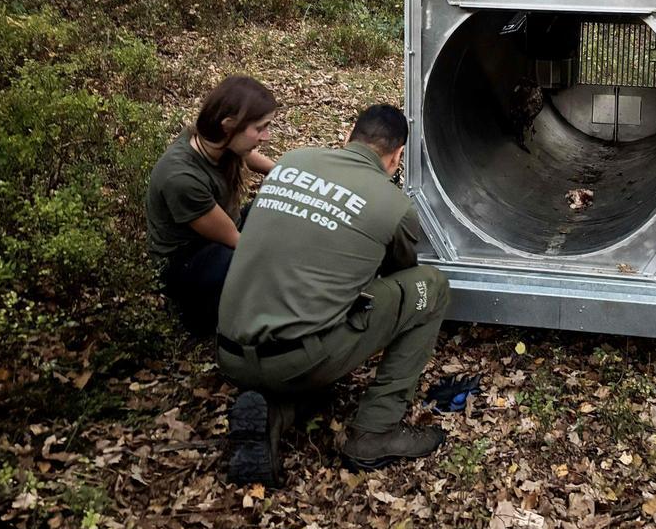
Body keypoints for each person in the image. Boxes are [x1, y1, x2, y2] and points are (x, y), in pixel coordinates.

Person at [216, 104, 451, 485]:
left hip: (229, 350)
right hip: (299, 358)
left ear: (347, 137)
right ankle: (375, 431)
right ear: (397, 156)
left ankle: (272, 416)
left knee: (308, 324)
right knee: (431, 287)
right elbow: (401, 276)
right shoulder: (393, 204)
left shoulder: (292, 161)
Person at [147, 75, 277, 337]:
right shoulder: (182, 178)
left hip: (223, 236)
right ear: (229, 126)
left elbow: (256, 160)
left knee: (281, 203)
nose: (266, 136)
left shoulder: (216, 140)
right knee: (244, 264)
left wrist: (294, 179)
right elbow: (236, 240)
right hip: (188, 261)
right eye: (260, 128)